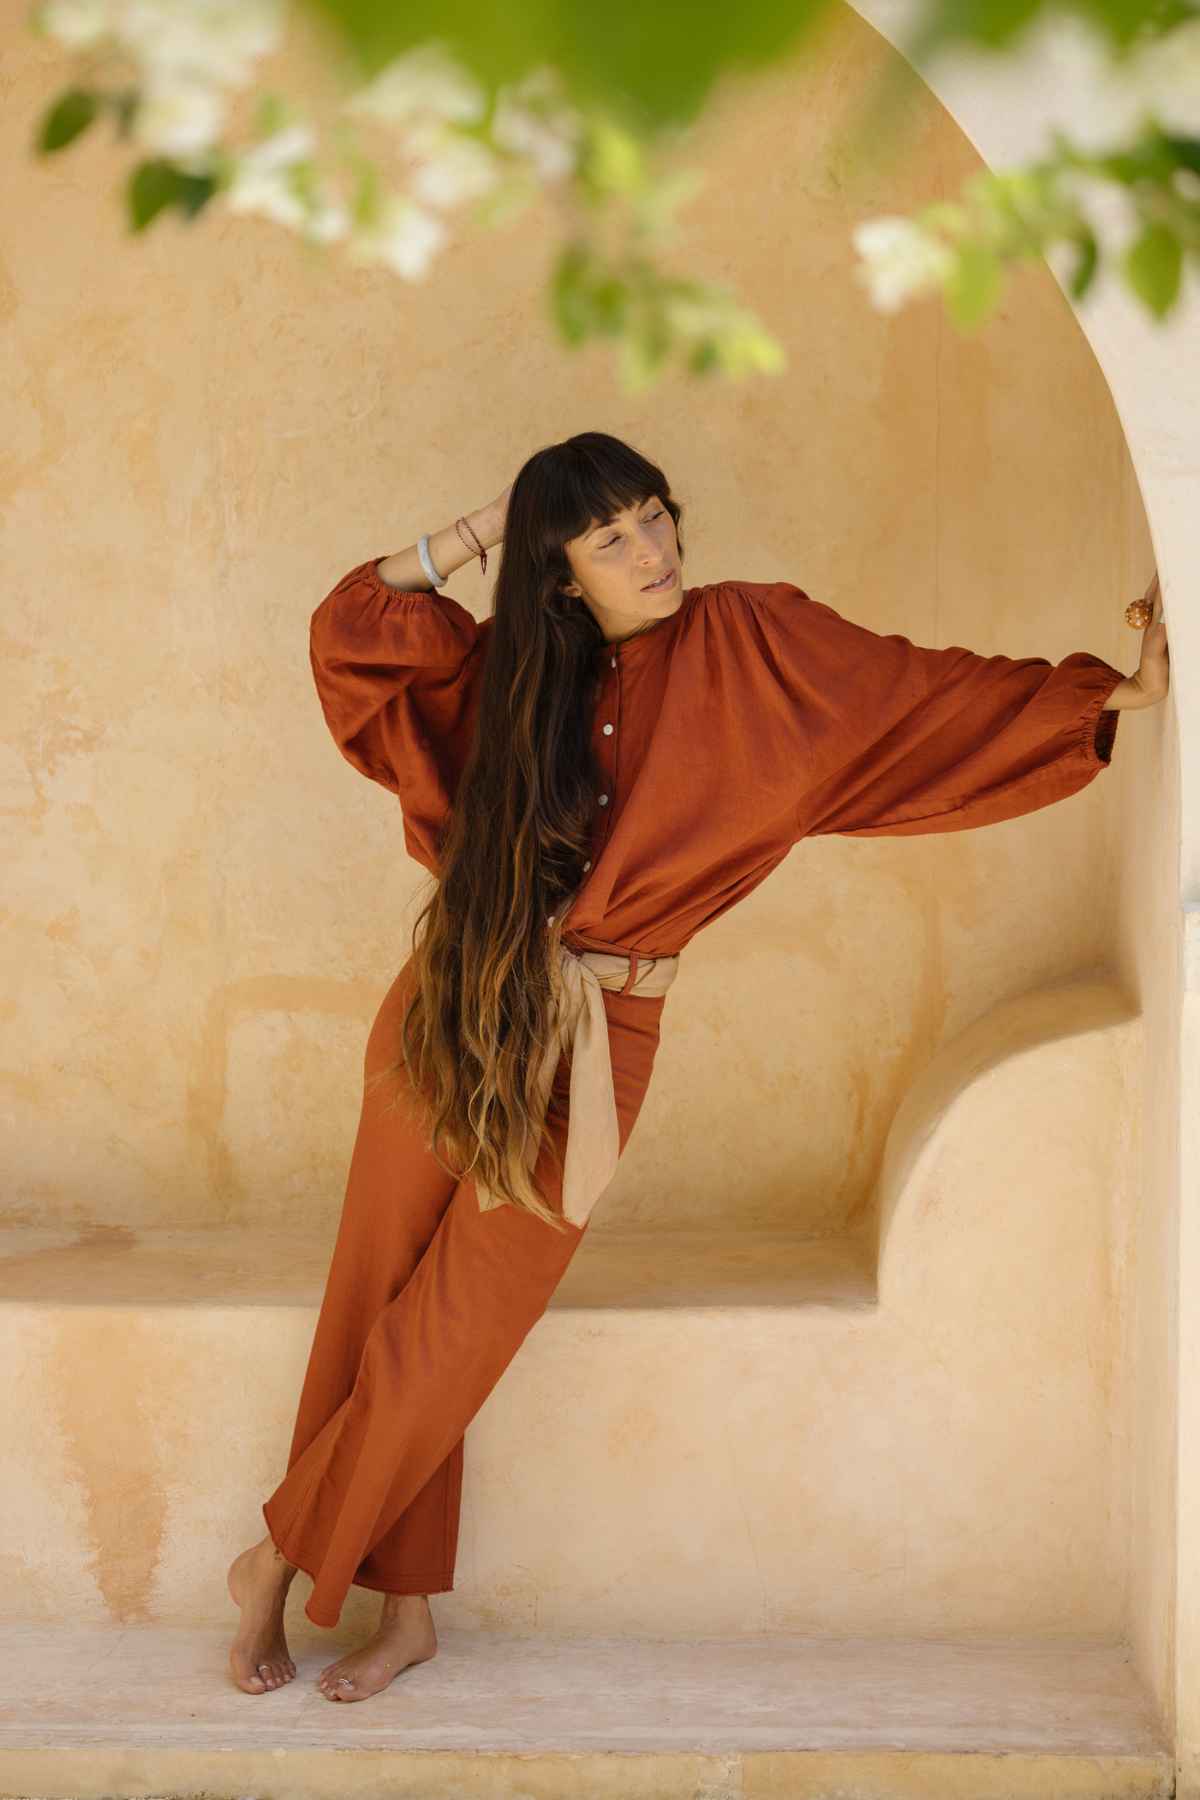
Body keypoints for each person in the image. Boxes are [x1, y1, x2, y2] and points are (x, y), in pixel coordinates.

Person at [226, 430, 1168, 1703]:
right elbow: (354, 630)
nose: (652, 550)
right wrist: (480, 527)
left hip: (601, 1037)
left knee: (454, 1329)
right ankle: (401, 1613)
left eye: (658, 517)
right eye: (609, 536)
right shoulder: (507, 671)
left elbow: (916, 696)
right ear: (558, 572)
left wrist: (1104, 692)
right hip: (456, 998)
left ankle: (276, 1566)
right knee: (377, 1291)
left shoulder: (755, 642)